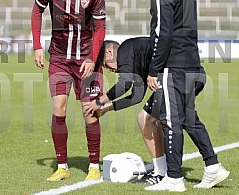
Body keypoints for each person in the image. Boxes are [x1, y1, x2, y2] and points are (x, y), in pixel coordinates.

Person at [135, 0, 230, 192]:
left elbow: (161, 32)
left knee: (170, 120)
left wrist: (153, 69)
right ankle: (213, 166)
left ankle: (174, 178)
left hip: (173, 65)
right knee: (188, 117)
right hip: (192, 62)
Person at [85, 37, 206, 185]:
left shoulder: (124, 50)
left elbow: (124, 84)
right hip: (192, 75)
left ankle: (162, 173)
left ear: (110, 52)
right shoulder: (136, 58)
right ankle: (208, 164)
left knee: (146, 119)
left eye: (106, 65)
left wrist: (98, 101)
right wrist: (108, 108)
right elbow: (136, 96)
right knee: (181, 121)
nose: (110, 70)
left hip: (180, 77)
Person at [31, 0, 106, 181]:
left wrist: (93, 59)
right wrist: (36, 46)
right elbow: (37, 11)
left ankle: (94, 166)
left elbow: (100, 28)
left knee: (90, 112)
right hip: (60, 59)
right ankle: (62, 166)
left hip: (87, 59)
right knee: (59, 109)